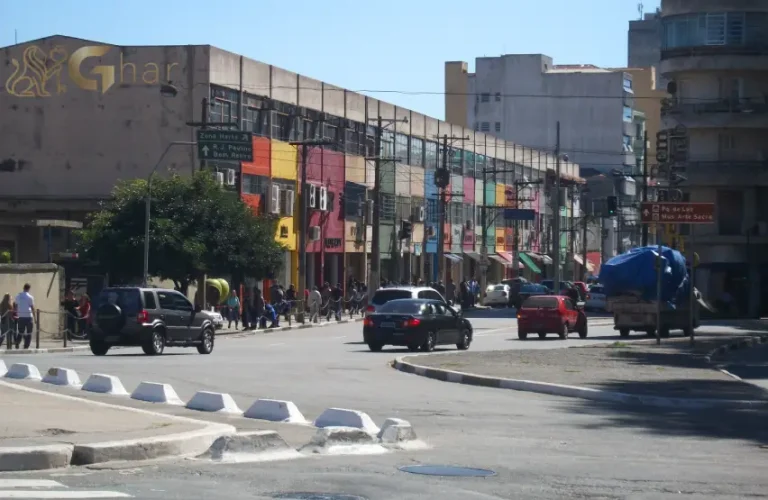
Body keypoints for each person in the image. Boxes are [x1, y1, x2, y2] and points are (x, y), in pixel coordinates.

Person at [14, 283, 35, 349]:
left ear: (23, 288)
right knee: (29, 332)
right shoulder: (30, 297)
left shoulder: (18, 296)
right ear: (29, 288)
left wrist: (16, 313)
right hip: (28, 315)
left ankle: (17, 342)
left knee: (20, 331)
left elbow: (16, 306)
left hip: (21, 315)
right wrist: (35, 318)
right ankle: (26, 346)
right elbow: (32, 307)